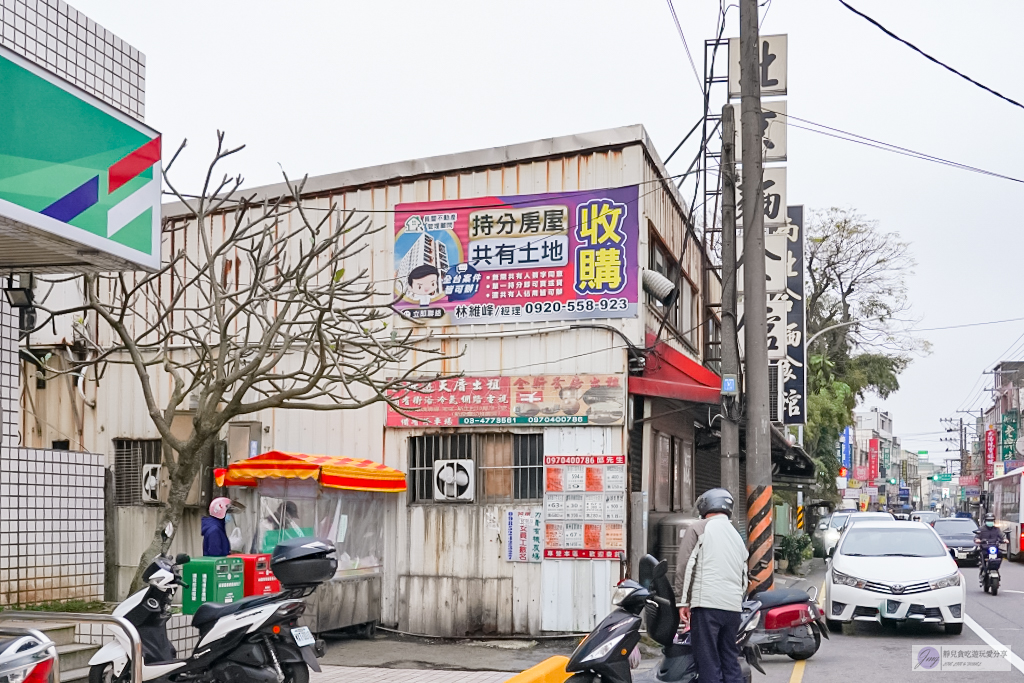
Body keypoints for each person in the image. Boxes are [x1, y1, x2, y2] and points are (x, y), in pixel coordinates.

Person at [674, 488, 748, 683]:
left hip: (707, 607)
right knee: (730, 660)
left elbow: (685, 566)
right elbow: (744, 578)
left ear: (705, 506)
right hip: (732, 609)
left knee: (708, 663)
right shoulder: (736, 535)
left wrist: (683, 601)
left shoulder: (698, 528)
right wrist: (735, 602)